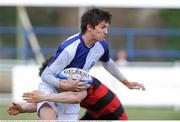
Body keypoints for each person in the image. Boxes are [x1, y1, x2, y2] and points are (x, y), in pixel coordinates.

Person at [17, 8, 145, 120]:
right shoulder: (69, 48)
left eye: (107, 27)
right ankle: (45, 99)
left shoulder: (102, 45)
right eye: (103, 27)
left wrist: (126, 82)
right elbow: (46, 75)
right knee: (49, 109)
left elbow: (107, 63)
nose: (106, 31)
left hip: (72, 93)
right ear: (89, 27)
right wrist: (63, 84)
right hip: (53, 85)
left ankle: (45, 99)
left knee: (80, 95)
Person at [8, 56, 145, 120]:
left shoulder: (75, 78)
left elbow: (76, 97)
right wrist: (23, 108)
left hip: (113, 115)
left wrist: (44, 96)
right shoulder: (61, 82)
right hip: (93, 114)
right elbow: (50, 101)